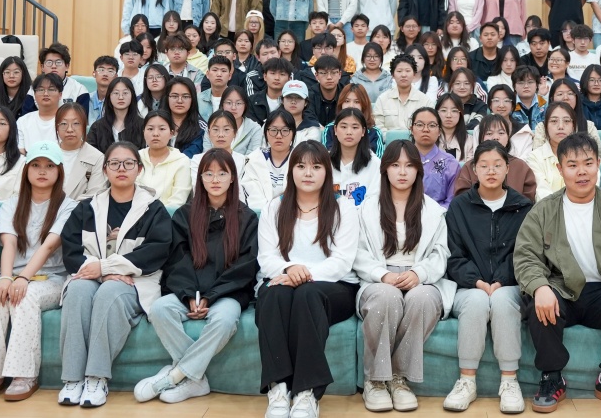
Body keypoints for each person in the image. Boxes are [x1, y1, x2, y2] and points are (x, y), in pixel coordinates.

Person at [514, 132, 601, 412]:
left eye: (588, 163)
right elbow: (526, 257)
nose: (581, 172)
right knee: (537, 302)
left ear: (598, 163)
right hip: (560, 287)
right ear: (559, 169)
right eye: (572, 165)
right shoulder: (543, 211)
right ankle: (552, 377)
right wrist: (540, 287)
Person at [136, 148, 259, 404]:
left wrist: (212, 296)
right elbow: (177, 260)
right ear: (200, 178)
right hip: (189, 293)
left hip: (226, 294)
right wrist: (190, 295)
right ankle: (196, 379)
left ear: (232, 178)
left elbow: (245, 266)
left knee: (225, 320)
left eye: (222, 173)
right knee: (159, 309)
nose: (215, 179)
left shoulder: (246, 218)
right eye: (208, 173)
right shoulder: (185, 214)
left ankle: (176, 375)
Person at [57, 142, 173, 407]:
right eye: (114, 163)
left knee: (110, 292)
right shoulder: (87, 207)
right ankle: (72, 379)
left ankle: (96, 378)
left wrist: (106, 269)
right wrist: (101, 272)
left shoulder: (153, 209)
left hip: (135, 282)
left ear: (139, 169)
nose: (122, 168)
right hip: (91, 277)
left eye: (128, 163)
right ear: (105, 169)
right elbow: (71, 252)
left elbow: (156, 252)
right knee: (77, 290)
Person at [256, 141, 361, 418]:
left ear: (327, 171)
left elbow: (342, 261)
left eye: (316, 167)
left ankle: (306, 393)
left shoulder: (343, 207)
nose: (308, 173)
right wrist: (290, 269)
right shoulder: (274, 207)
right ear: (291, 170)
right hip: (285, 279)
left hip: (335, 286)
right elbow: (266, 258)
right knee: (271, 294)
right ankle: (279, 388)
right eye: (301, 166)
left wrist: (304, 275)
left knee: (307, 294)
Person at [351, 141, 451, 411]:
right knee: (386, 297)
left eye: (409, 166)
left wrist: (420, 273)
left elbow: (440, 253)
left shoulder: (433, 210)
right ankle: (375, 380)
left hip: (420, 277)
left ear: (419, 170)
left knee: (423, 299)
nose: (402, 172)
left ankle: (398, 378)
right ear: (385, 170)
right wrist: (381, 274)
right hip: (378, 278)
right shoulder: (366, 209)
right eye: (395, 165)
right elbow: (357, 252)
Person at [0, 144, 76, 402]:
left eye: (49, 166)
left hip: (52, 278)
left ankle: (24, 375)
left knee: (24, 297)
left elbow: (49, 246)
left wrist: (22, 279)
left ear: (59, 171)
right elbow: (8, 244)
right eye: (36, 165)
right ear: (27, 170)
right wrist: (6, 278)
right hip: (13, 274)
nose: (42, 171)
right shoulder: (11, 204)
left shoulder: (69, 206)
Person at [442, 141, 532, 413]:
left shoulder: (523, 207)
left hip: (511, 285)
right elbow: (453, 255)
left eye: (497, 165)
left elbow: (526, 255)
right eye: (484, 166)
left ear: (507, 169)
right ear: (474, 169)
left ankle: (509, 381)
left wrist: (501, 280)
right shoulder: (459, 207)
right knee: (477, 301)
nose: (491, 171)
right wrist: (478, 282)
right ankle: (467, 381)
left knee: (503, 300)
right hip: (469, 286)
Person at [51, 107, 109, 201]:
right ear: (56, 127)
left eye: (76, 123)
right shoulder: (46, 154)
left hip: (79, 210)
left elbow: (94, 195)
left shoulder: (97, 158)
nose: (70, 129)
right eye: (64, 124)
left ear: (84, 126)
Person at [373, 54, 432, 131]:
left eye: (408, 71)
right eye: (399, 71)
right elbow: (378, 126)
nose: (403, 75)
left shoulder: (425, 101)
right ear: (393, 75)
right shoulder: (382, 99)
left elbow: (429, 125)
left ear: (414, 74)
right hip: (389, 139)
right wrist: (390, 137)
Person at [86, 77, 142, 154]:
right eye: (116, 93)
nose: (121, 97)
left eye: (125, 93)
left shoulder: (143, 126)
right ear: (109, 96)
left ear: (132, 96)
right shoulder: (97, 127)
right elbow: (90, 154)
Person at [17, 73, 62, 152]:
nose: (46, 94)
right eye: (41, 90)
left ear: (60, 95)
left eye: (51, 89)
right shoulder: (23, 121)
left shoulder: (67, 120)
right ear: (34, 94)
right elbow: (20, 152)